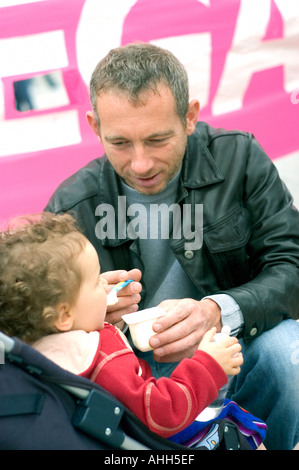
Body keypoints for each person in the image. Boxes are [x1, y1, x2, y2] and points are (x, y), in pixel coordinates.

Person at [45, 43, 299, 450]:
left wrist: (218, 311)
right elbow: (37, 332)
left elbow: (291, 263)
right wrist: (88, 315)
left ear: (190, 116)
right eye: (120, 143)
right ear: (95, 127)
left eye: (157, 139)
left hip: (236, 349)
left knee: (291, 355)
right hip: (135, 380)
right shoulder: (71, 204)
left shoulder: (239, 156)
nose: (141, 163)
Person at [0, 212, 268, 449]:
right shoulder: (104, 359)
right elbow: (162, 412)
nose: (106, 286)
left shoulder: (29, 354)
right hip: (154, 437)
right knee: (235, 423)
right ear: (64, 315)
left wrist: (93, 316)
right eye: (95, 282)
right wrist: (209, 365)